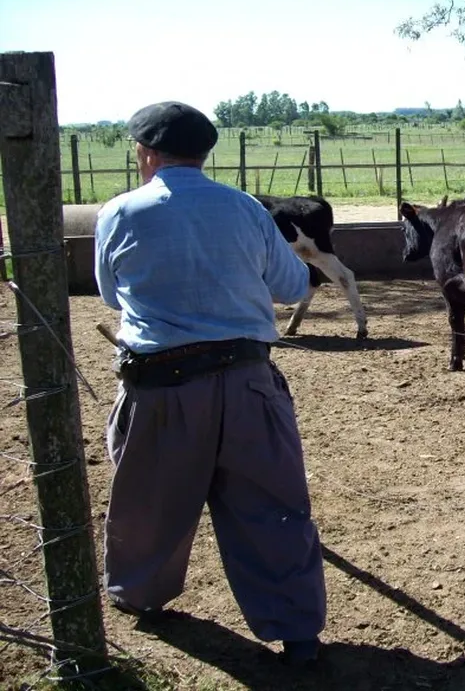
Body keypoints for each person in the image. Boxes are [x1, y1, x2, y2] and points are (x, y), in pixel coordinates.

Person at [93, 101, 327, 667]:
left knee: (149, 499)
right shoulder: (246, 209)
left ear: (146, 153)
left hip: (162, 386)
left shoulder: (121, 212)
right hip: (248, 382)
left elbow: (107, 291)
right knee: (272, 505)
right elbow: (294, 286)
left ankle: (143, 597)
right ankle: (297, 632)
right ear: (203, 154)